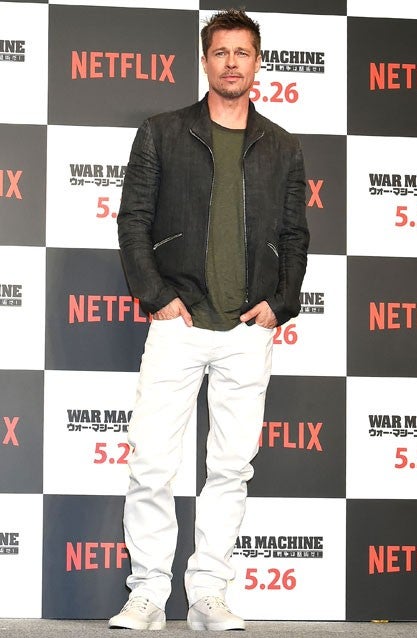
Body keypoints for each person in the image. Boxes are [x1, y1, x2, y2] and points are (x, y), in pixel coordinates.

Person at [109, 8, 309, 632]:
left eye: (242, 52)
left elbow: (295, 234)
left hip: (248, 331)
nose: (231, 63)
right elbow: (133, 222)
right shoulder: (162, 133)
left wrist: (280, 304)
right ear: (205, 61)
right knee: (150, 463)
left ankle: (208, 596)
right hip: (179, 323)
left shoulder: (283, 146)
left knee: (229, 470)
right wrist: (157, 297)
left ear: (257, 63)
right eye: (220, 52)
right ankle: (147, 593)